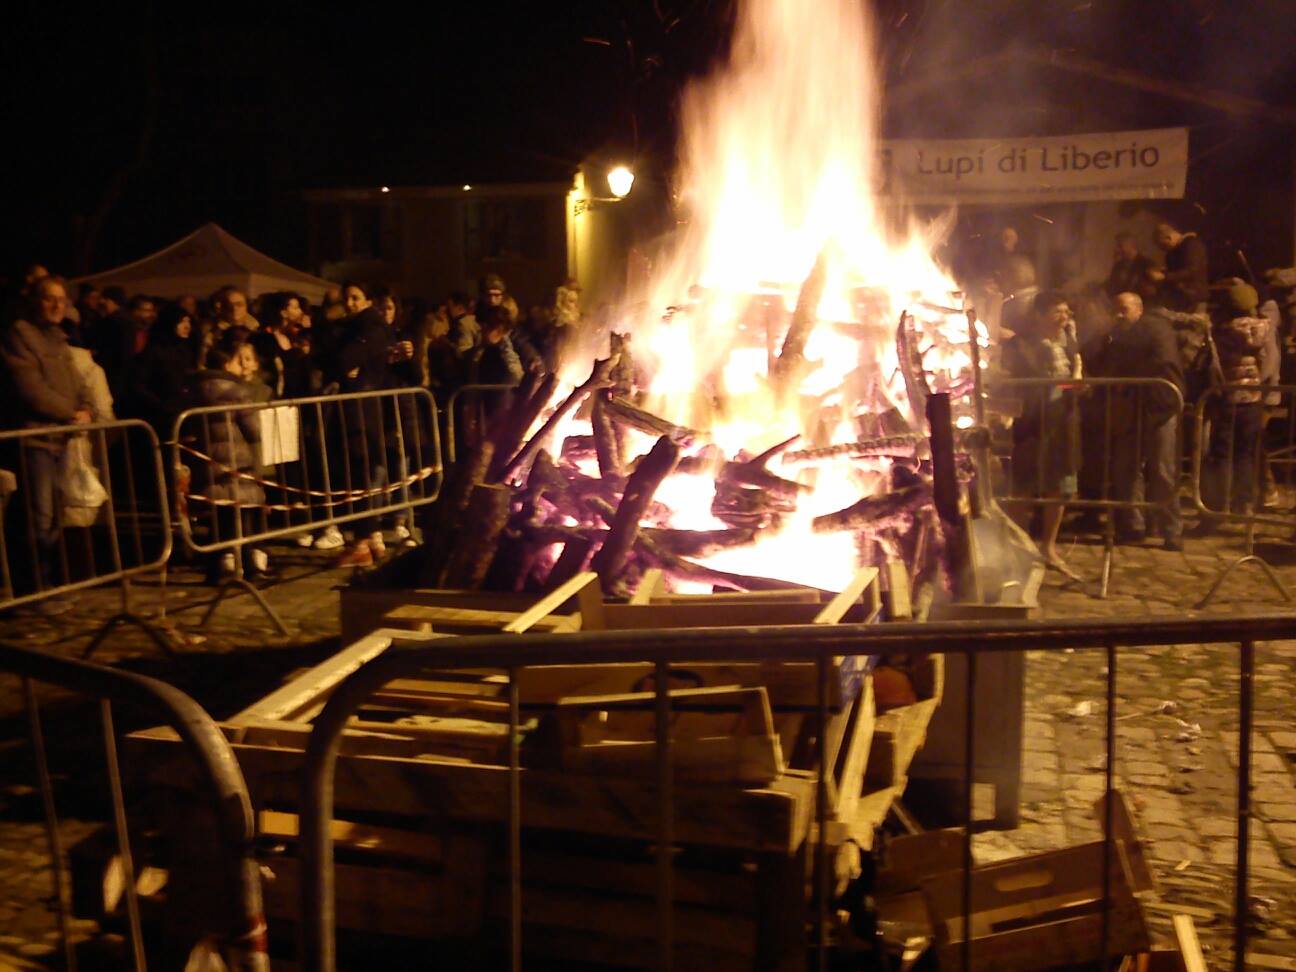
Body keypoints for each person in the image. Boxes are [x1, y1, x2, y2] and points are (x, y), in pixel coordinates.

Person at [0, 277, 93, 606]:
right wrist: (69, 412)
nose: (57, 305)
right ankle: (34, 590)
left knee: (53, 518)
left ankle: (48, 584)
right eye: (48, 298)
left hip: (59, 438)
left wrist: (84, 407)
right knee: (37, 519)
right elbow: (30, 388)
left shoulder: (58, 339)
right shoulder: (19, 336)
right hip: (34, 438)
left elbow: (74, 380)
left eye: (61, 299)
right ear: (34, 301)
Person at [1085, 292, 1185, 549]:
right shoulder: (1115, 335)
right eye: (1115, 309)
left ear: (1138, 309)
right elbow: (1102, 365)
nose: (1119, 314)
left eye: (1124, 309)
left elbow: (1159, 362)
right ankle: (1133, 524)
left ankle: (1171, 530)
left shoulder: (1154, 328)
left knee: (1162, 471)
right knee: (1126, 468)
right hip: (1130, 408)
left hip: (1159, 406)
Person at [1001, 290, 1083, 578]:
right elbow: (1028, 377)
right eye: (1057, 312)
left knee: (1059, 486)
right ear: (1038, 315)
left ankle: (1049, 547)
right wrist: (1069, 382)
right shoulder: (1020, 343)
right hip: (1033, 423)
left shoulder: (1071, 344)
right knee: (1024, 485)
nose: (1063, 317)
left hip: (1063, 423)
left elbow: (1078, 379)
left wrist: (1077, 383)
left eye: (1066, 312)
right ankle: (1019, 545)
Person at [187, 335, 271, 582]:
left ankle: (219, 567)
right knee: (243, 514)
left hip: (208, 461)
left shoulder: (195, 388)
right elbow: (253, 429)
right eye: (237, 361)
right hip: (236, 461)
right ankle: (249, 566)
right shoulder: (236, 391)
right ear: (227, 365)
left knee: (220, 516)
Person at [330, 283, 395, 567]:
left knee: (364, 475)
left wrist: (348, 367)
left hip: (364, 413)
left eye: (356, 297)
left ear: (367, 300)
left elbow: (345, 360)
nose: (350, 303)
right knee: (363, 475)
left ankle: (364, 541)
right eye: (347, 298)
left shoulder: (369, 327)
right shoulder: (354, 328)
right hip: (362, 411)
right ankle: (369, 539)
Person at [1151, 222, 1209, 312]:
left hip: (1194, 298)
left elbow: (1192, 271)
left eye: (1164, 246)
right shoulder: (1172, 252)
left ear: (1169, 238)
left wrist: (1165, 276)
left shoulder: (1192, 244)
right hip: (1180, 299)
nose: (1164, 250)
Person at [1104, 232, 1158, 302]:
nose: (1117, 250)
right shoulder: (1118, 265)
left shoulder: (1146, 264)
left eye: (1120, 246)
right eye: (1116, 246)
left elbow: (1151, 292)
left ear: (1131, 246)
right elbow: (1112, 286)